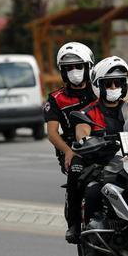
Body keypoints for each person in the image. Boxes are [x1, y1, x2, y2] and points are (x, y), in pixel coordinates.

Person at [44, 42, 97, 244]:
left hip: (105, 143)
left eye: (78, 66)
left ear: (88, 66)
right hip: (75, 149)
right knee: (76, 174)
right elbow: (51, 132)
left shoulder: (99, 89)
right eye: (68, 68)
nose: (74, 72)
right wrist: (68, 151)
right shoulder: (56, 99)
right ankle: (74, 223)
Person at [75, 56, 128, 225]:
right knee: (93, 192)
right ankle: (91, 231)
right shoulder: (88, 113)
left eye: (118, 82)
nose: (114, 87)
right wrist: (88, 140)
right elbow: (82, 134)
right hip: (104, 165)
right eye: (108, 83)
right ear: (99, 86)